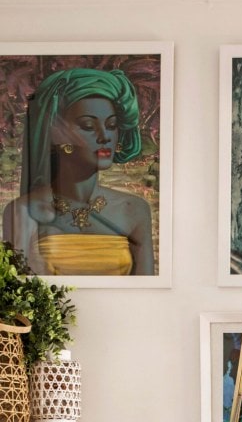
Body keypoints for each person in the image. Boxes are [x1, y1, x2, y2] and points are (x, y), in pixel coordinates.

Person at [2, 66, 154, 276]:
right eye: (88, 126)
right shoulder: (22, 211)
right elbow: (17, 296)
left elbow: (148, 294)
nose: (105, 137)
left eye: (111, 125)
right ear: (55, 133)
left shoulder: (134, 209)